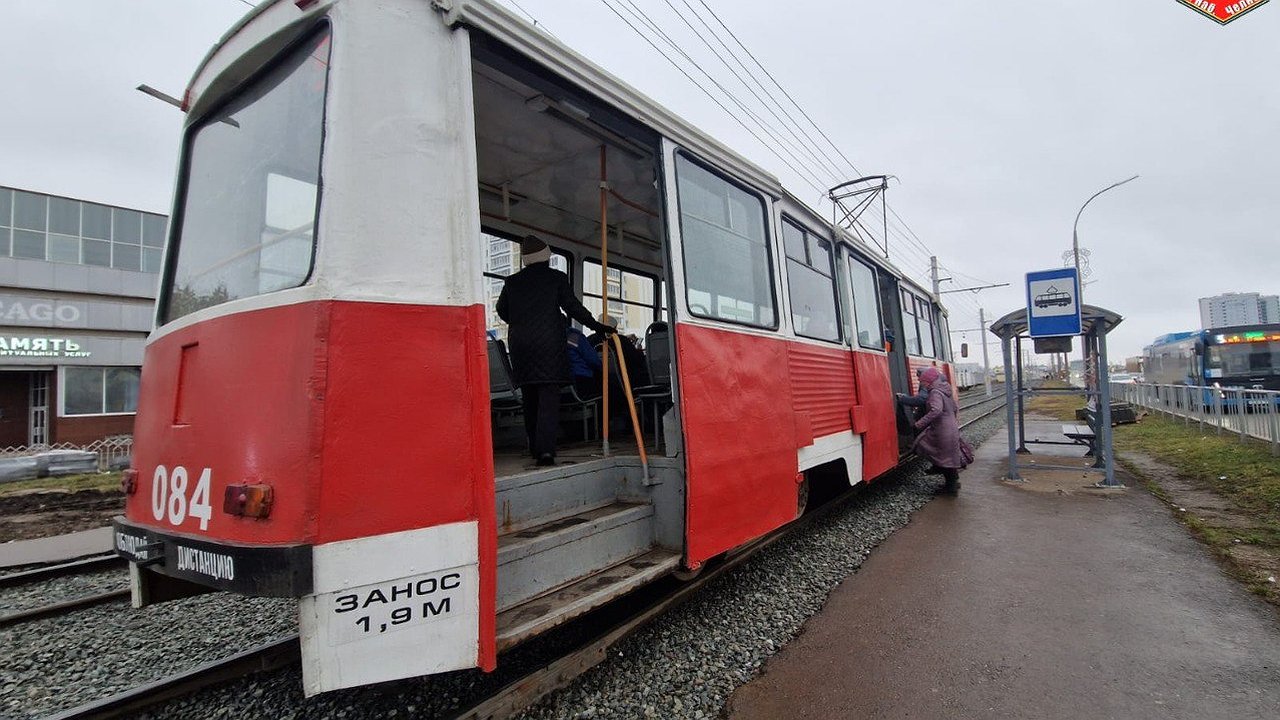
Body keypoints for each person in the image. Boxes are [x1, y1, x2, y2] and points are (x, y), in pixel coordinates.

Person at [496, 235, 614, 466]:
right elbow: (573, 308)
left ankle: (534, 447)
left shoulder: (511, 282)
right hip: (548, 345)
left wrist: (521, 321)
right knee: (548, 397)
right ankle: (547, 451)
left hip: (521, 345)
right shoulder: (556, 278)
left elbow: (502, 311)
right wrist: (598, 327)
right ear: (546, 257)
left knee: (530, 397)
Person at [912, 366, 970, 495]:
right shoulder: (945, 390)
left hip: (942, 429)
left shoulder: (935, 393)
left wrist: (919, 424)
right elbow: (954, 408)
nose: (922, 384)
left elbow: (936, 410)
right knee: (948, 456)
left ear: (928, 381)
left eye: (923, 382)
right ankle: (952, 481)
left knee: (925, 446)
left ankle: (950, 488)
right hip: (950, 427)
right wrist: (951, 421)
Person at [567, 324, 602, 400]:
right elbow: (593, 360)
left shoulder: (551, 340)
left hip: (563, 386)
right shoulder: (573, 336)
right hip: (581, 382)